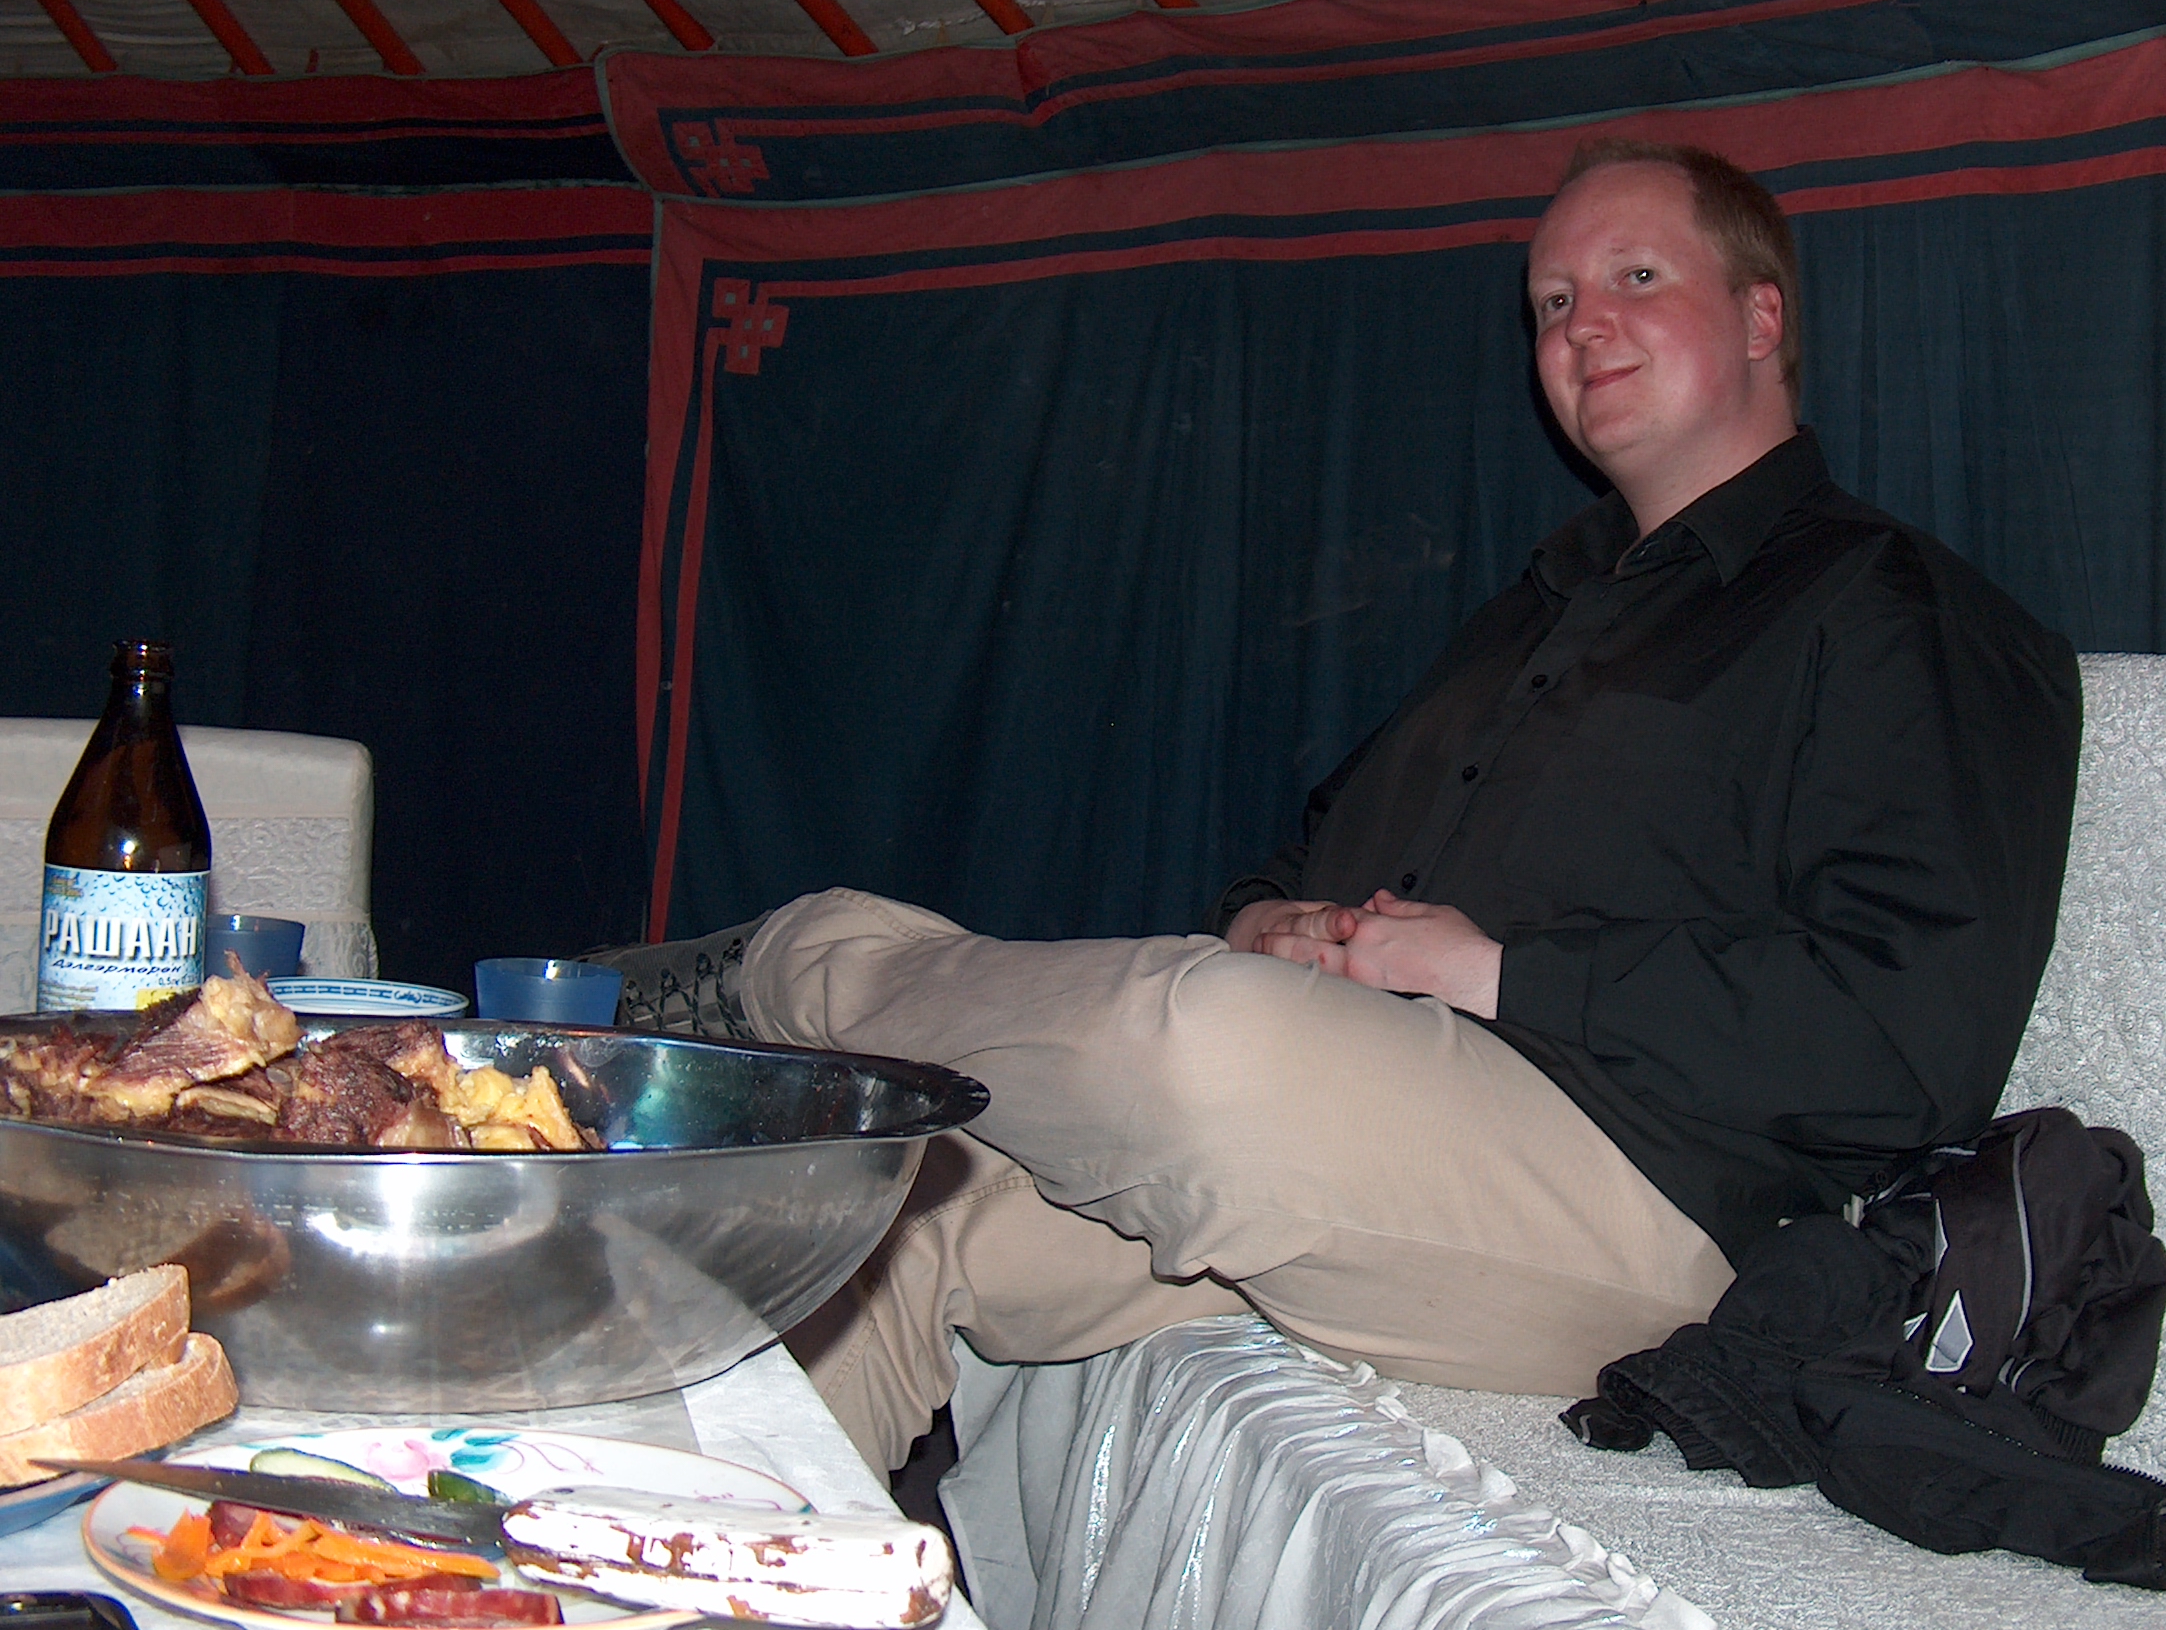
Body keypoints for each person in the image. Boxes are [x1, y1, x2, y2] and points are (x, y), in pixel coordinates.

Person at [603, 139, 2081, 1474]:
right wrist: (1269, 920)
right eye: (1553, 302)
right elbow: (1313, 847)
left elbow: (1910, 1041)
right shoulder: (1535, 619)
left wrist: (1494, 971)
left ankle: (772, 983)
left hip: (1660, 1206)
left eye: (1636, 277)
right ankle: (673, 1587)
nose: (1582, 326)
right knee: (901, 1200)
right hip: (1376, 1126)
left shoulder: (1897, 609)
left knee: (1200, 1039)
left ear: (1762, 317)